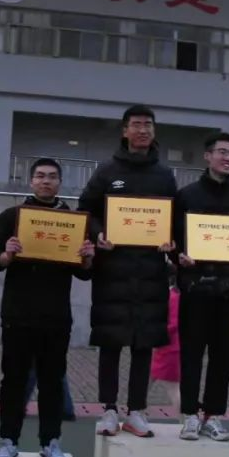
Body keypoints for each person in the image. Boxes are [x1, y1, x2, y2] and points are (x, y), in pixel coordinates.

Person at [0, 158, 94, 457]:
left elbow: (84, 273)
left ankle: (50, 443)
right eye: (40, 176)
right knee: (14, 381)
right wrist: (7, 254)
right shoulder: (12, 217)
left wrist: (87, 258)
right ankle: (8, 442)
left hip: (56, 316)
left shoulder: (73, 221)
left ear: (60, 182)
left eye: (52, 176)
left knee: (52, 382)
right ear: (31, 181)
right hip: (17, 314)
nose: (46, 181)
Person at [78, 105, 177, 438]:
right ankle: (109, 409)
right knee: (111, 342)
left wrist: (171, 242)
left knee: (143, 344)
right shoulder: (107, 171)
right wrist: (98, 233)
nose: (143, 130)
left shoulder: (165, 175)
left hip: (150, 271)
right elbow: (86, 210)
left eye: (148, 124)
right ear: (125, 130)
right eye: (136, 124)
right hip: (112, 270)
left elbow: (173, 219)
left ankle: (136, 411)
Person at [174, 132, 229, 441]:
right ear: (207, 156)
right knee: (191, 355)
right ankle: (189, 414)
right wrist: (178, 256)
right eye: (222, 152)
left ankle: (213, 415)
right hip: (195, 290)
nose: (227, 158)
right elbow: (172, 239)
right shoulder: (187, 196)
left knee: (223, 357)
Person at [150, 275, 181, 415]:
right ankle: (136, 410)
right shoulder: (177, 296)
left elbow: (173, 324)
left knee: (173, 388)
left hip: (168, 348)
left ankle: (185, 418)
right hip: (169, 348)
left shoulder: (172, 297)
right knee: (146, 382)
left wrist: (155, 332)